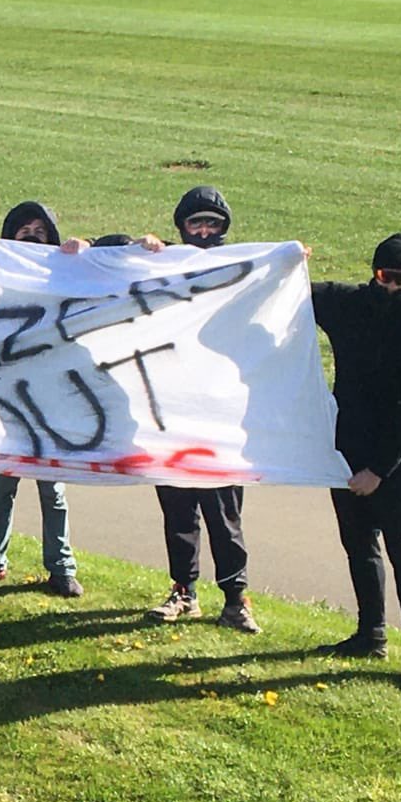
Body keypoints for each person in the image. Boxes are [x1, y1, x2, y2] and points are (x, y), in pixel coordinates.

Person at [310, 234, 401, 692]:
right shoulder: (350, 305)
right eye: (385, 277)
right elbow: (294, 291)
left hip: (393, 461)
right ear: (374, 273)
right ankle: (370, 634)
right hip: (346, 449)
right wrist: (291, 260)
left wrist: (379, 471)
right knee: (359, 546)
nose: (392, 287)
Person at [144, 186, 259, 633]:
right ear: (182, 227)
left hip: (221, 417)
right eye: (196, 224)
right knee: (177, 509)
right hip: (169, 413)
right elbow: (109, 256)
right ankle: (183, 590)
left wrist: (288, 259)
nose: (205, 231)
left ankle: (236, 598)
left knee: (223, 513)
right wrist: (142, 247)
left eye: (213, 224)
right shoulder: (165, 264)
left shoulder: (243, 268)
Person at [0, 201, 83, 597]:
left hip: (50, 398)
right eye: (23, 230)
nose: (31, 236)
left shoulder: (62, 278)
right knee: (4, 483)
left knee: (53, 487)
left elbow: (107, 263)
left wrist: (87, 246)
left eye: (39, 231)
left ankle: (61, 567)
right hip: (8, 396)